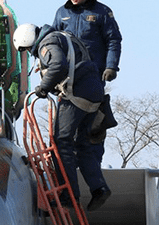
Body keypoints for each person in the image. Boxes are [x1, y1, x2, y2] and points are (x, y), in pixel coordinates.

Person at [12, 23, 111, 211]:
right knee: (82, 144)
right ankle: (100, 188)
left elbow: (58, 64)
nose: (30, 53)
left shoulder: (46, 44)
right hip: (94, 93)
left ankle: (69, 196)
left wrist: (43, 87)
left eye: (26, 50)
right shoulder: (63, 36)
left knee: (60, 142)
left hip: (76, 94)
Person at [52, 0, 122, 83]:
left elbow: (113, 40)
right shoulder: (62, 12)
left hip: (93, 72)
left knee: (92, 99)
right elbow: (53, 41)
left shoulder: (102, 12)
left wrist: (111, 66)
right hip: (67, 74)